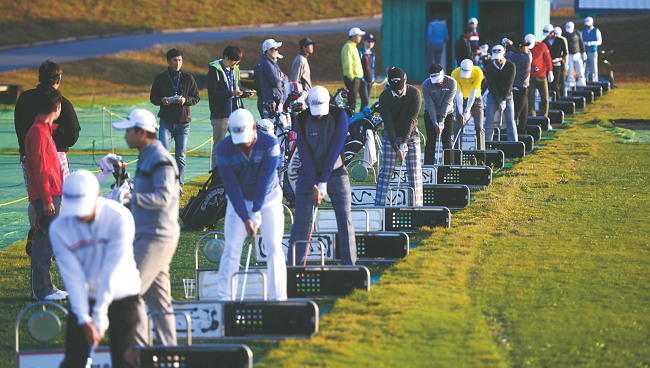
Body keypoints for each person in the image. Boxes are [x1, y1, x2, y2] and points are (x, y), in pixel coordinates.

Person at [50, 170, 140, 368]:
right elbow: (73, 277)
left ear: (97, 197)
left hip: (122, 293)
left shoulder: (119, 217)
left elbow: (112, 268)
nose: (80, 217)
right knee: (74, 360)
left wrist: (100, 313)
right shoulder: (59, 228)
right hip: (86, 295)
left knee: (123, 359)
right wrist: (84, 319)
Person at [112, 108, 180, 346]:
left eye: (129, 131)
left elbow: (163, 197)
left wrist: (131, 199)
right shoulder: (147, 154)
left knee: (127, 295)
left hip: (156, 237)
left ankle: (142, 351)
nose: (125, 136)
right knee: (160, 302)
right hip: (152, 235)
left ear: (142, 132)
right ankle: (168, 355)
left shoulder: (160, 158)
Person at [214, 109, 287, 300]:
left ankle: (278, 298)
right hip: (238, 201)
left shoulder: (270, 143)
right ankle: (224, 300)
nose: (243, 148)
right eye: (240, 145)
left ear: (254, 128)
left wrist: (255, 211)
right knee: (232, 248)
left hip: (269, 199)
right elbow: (232, 187)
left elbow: (264, 180)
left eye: (246, 144)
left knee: (273, 246)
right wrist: (246, 217)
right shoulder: (223, 149)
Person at [14, 60, 80, 253]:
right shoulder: (60, 102)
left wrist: (23, 150)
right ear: (58, 79)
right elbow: (74, 132)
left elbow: (19, 127)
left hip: (27, 155)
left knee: (35, 198)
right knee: (58, 200)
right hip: (55, 154)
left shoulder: (24, 99)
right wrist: (61, 141)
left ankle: (36, 231)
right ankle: (52, 243)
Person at [289, 86, 356, 266]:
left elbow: (335, 151)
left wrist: (323, 181)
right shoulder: (301, 119)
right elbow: (304, 153)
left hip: (336, 173)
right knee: (301, 222)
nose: (319, 115)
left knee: (345, 220)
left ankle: (350, 267)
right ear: (308, 105)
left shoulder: (339, 115)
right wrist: (313, 184)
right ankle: (293, 267)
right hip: (308, 176)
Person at [24, 88, 67, 301]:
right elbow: (41, 169)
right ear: (56, 108)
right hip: (47, 195)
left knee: (49, 241)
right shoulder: (38, 133)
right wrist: (48, 199)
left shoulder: (43, 130)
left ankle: (46, 286)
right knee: (45, 243)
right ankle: (42, 290)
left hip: (51, 193)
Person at [150, 48, 200, 192]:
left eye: (180, 60)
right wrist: (162, 100)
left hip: (183, 123)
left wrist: (185, 100)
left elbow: (196, 98)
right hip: (166, 122)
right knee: (164, 154)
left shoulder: (188, 78)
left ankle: (179, 184)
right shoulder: (160, 78)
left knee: (181, 156)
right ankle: (165, 183)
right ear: (168, 61)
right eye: (174, 60)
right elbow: (153, 98)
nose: (177, 63)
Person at [374, 67, 423, 207]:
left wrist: (404, 142)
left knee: (415, 173)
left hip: (411, 135)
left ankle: (417, 207)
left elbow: (411, 120)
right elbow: (388, 124)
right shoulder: (384, 97)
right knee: (386, 172)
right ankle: (379, 208)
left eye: (400, 88)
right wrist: (396, 147)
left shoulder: (414, 93)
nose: (399, 91)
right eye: (395, 89)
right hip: (391, 136)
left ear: (405, 81)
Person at [207, 45, 253, 168]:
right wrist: (231, 93)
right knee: (219, 146)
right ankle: (216, 178)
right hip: (220, 114)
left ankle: (240, 171)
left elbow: (236, 88)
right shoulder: (214, 69)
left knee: (241, 143)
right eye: (233, 61)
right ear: (226, 57)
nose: (235, 64)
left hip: (235, 113)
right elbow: (213, 94)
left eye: (237, 62)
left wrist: (243, 93)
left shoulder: (235, 69)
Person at [422, 63, 457, 164]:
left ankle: (448, 167)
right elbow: (430, 105)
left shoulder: (451, 82)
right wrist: (435, 123)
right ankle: (429, 167)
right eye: (435, 82)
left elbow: (447, 103)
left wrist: (441, 121)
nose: (437, 83)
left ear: (443, 74)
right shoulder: (426, 84)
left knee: (447, 140)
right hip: (430, 113)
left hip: (448, 113)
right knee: (431, 140)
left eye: (439, 80)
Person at [483, 45, 517, 141]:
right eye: (496, 58)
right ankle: (487, 144)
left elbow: (509, 84)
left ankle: (514, 145)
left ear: (504, 54)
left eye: (499, 58)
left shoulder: (511, 66)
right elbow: (492, 85)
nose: (497, 61)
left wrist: (503, 100)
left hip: (508, 96)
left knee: (510, 121)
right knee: (489, 121)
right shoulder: (489, 67)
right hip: (493, 96)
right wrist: (499, 100)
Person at [451, 59, 485, 150]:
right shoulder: (455, 73)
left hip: (476, 100)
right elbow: (458, 94)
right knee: (459, 125)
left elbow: (473, 94)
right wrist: (462, 113)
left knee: (479, 127)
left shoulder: (478, 72)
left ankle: (481, 154)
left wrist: (467, 111)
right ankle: (457, 153)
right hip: (462, 101)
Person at [506, 37, 532, 135]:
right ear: (520, 48)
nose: (527, 48)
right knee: (518, 115)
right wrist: (513, 44)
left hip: (514, 88)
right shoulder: (526, 58)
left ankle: (521, 134)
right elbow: (528, 52)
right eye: (525, 47)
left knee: (523, 114)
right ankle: (514, 135)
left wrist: (511, 45)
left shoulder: (510, 56)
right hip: (521, 89)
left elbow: (508, 53)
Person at [256, 39, 286, 117]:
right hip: (270, 104)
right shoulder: (266, 63)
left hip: (276, 103)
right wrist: (281, 79)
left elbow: (285, 77)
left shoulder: (272, 63)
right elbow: (277, 83)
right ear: (269, 50)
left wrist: (281, 79)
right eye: (275, 49)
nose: (277, 51)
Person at [525, 34, 553, 117]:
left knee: (545, 99)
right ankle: (533, 119)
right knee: (531, 100)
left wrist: (550, 71)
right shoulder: (524, 48)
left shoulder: (542, 46)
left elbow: (548, 59)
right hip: (530, 77)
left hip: (542, 76)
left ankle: (544, 118)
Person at [341, 27, 365, 112]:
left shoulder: (352, 47)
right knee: (352, 101)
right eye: (359, 36)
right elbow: (348, 63)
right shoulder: (348, 47)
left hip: (356, 77)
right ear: (353, 36)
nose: (360, 37)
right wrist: (351, 77)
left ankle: (351, 117)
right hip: (352, 77)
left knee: (353, 100)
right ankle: (349, 119)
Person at [544, 26, 569, 97]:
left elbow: (565, 52)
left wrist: (560, 58)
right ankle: (550, 99)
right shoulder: (544, 42)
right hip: (548, 65)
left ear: (552, 32)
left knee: (556, 82)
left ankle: (557, 99)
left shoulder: (560, 41)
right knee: (548, 83)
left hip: (557, 64)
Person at [565, 21, 587, 88]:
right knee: (570, 69)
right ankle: (570, 81)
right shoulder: (564, 34)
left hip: (577, 54)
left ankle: (581, 81)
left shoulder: (577, 32)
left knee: (580, 68)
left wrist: (583, 52)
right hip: (569, 55)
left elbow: (581, 42)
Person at [581, 17, 602, 82]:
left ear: (592, 23)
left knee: (594, 68)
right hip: (585, 52)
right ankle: (584, 82)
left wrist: (591, 43)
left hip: (593, 52)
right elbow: (580, 42)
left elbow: (599, 42)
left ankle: (595, 81)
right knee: (584, 68)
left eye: (589, 25)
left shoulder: (596, 31)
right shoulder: (582, 32)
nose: (588, 26)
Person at [359, 33, 377, 110]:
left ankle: (364, 118)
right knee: (365, 101)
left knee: (367, 101)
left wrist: (373, 77)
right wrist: (361, 78)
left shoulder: (372, 54)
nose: (370, 43)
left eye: (372, 42)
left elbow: (372, 67)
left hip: (370, 80)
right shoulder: (360, 52)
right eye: (368, 41)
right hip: (362, 80)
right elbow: (358, 66)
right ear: (364, 42)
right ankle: (359, 119)